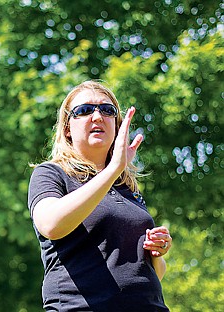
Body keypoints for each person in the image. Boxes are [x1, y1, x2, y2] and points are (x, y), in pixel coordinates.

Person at [28, 80, 172, 311]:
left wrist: (157, 252)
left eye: (107, 110)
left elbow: (152, 273)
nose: (97, 116)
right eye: (84, 110)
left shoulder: (127, 187)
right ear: (67, 128)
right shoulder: (51, 173)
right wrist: (114, 167)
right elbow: (51, 224)